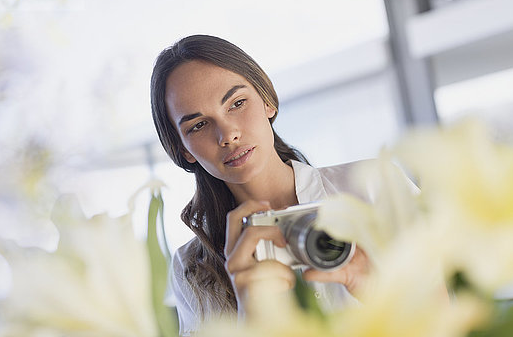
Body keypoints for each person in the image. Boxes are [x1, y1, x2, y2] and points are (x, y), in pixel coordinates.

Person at [150, 35, 372, 336]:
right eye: (198, 125)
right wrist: (249, 318)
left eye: (237, 103)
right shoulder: (191, 267)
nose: (227, 135)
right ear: (184, 149)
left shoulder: (371, 189)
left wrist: (373, 286)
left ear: (267, 100)